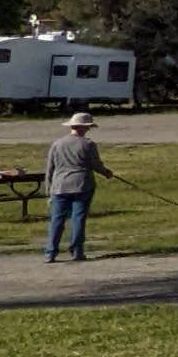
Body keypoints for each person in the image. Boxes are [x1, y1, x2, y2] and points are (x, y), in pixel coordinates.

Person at [41, 111, 118, 261]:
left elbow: (50, 168)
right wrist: (106, 173)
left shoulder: (57, 144)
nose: (88, 130)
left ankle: (50, 252)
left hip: (59, 185)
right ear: (83, 127)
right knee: (78, 218)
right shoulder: (88, 144)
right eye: (88, 127)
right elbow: (95, 164)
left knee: (57, 219)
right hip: (82, 184)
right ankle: (77, 251)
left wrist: (48, 190)